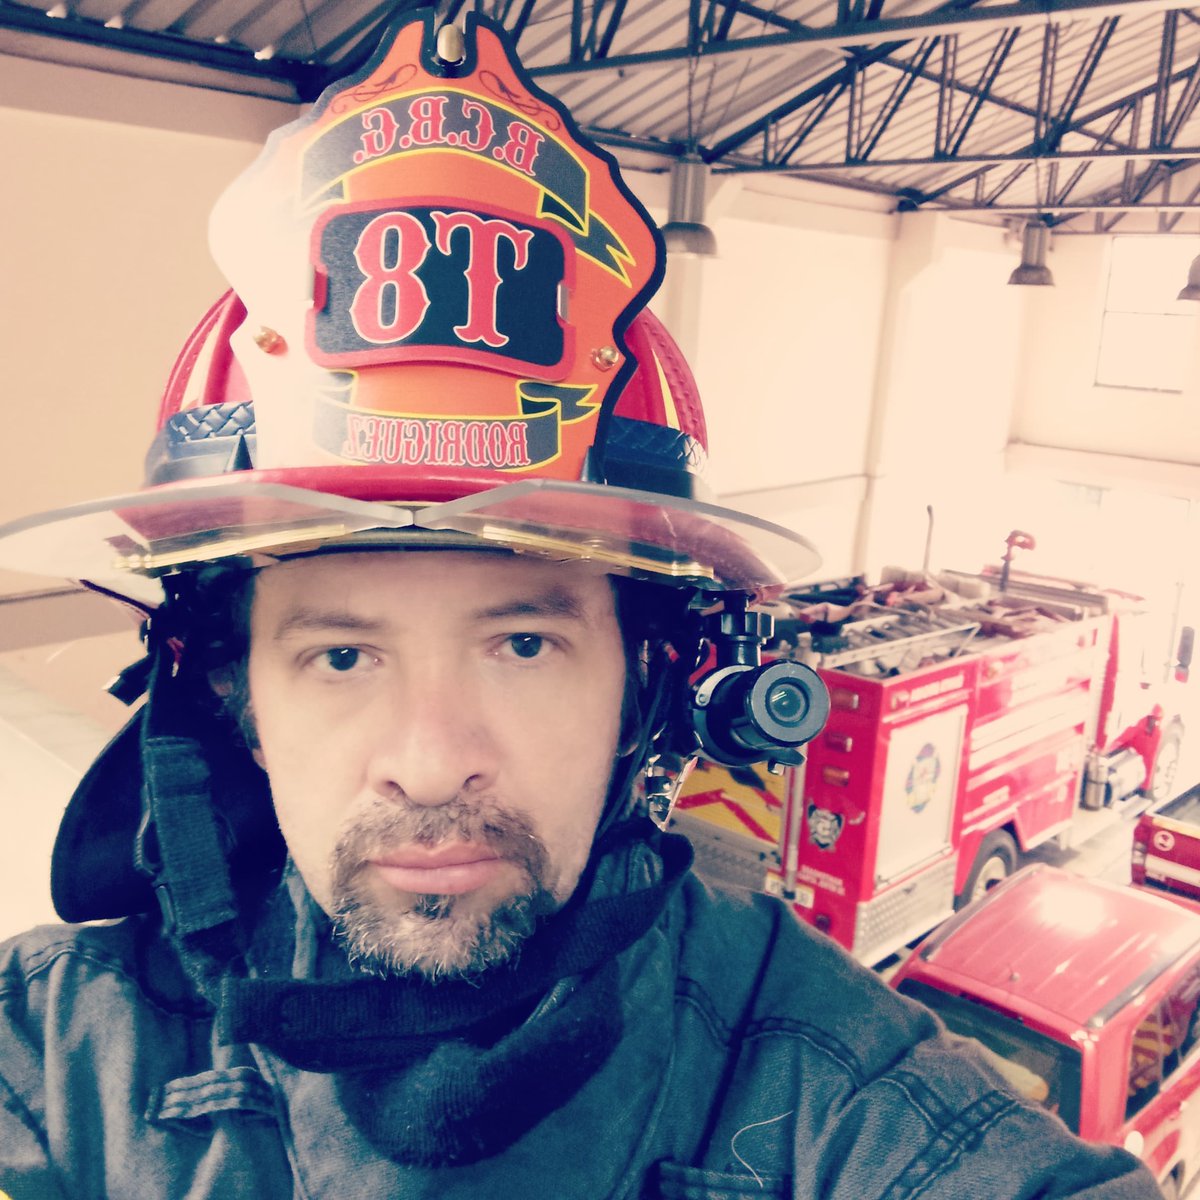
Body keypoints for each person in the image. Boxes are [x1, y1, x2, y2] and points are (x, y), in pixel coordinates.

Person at [0, 11, 1165, 1198]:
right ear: (231, 698)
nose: (432, 761)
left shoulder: (837, 1089)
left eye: (522, 641)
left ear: (644, 692)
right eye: (342, 656)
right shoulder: (49, 1058)